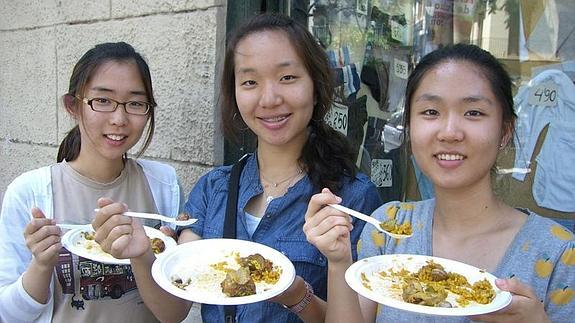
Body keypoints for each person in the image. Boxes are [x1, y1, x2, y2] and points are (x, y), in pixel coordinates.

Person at [91, 13, 382, 323]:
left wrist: (296, 294)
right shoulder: (212, 189)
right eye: (250, 82)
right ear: (234, 93)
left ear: (315, 85)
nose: (269, 99)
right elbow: (173, 310)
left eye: (287, 78)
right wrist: (141, 254)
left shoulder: (352, 199)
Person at [304, 44, 575, 322]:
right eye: (431, 112)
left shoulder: (558, 254)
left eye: (473, 113)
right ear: (409, 126)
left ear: (505, 131)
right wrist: (339, 261)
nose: (449, 132)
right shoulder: (388, 229)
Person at [0, 42, 182, 323]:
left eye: (135, 103)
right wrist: (41, 264)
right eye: (103, 101)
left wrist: (146, 256)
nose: (119, 119)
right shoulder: (29, 193)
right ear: (73, 106)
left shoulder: (164, 184)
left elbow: (174, 312)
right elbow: (9, 315)